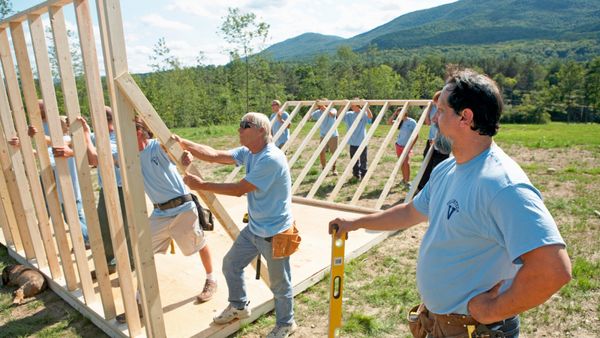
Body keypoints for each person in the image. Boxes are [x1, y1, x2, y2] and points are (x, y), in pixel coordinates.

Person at [328, 69, 571, 338]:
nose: (433, 118)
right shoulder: (448, 169)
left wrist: (491, 311)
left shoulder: (502, 185)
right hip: (442, 324)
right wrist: (356, 223)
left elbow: (553, 269)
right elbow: (410, 212)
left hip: (475, 329)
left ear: (465, 117)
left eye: (441, 110)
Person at [173, 112, 297, 338]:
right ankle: (239, 306)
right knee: (231, 264)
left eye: (245, 125)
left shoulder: (271, 158)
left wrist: (202, 184)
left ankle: (286, 323)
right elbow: (215, 155)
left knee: (281, 284)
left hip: (275, 232)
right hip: (256, 229)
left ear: (261, 131)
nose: (239, 129)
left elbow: (240, 189)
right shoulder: (250, 152)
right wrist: (184, 142)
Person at [133, 118, 217, 304]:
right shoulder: (129, 156)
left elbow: (178, 153)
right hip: (160, 213)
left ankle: (211, 279)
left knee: (199, 243)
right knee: (142, 250)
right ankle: (139, 299)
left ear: (140, 131)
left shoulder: (157, 146)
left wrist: (185, 156)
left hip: (183, 208)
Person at [417, 91, 451, 192]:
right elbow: (428, 122)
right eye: (434, 103)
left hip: (442, 142)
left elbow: (445, 127)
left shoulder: (447, 110)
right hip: (432, 140)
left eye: (437, 103)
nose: (435, 105)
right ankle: (421, 187)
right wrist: (428, 109)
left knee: (439, 166)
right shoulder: (433, 109)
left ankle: (436, 190)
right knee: (426, 163)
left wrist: (437, 140)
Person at [343, 99, 373, 180]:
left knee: (363, 159)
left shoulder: (363, 113)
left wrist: (365, 106)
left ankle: (363, 174)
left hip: (362, 141)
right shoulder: (349, 114)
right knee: (353, 160)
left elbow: (370, 117)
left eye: (353, 105)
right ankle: (356, 174)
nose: (351, 106)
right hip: (352, 141)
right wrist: (344, 105)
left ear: (358, 105)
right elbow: (339, 115)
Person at [388, 107, 417, 189]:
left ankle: (407, 181)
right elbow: (389, 122)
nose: (399, 115)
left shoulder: (412, 122)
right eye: (398, 114)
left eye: (400, 114)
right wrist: (394, 113)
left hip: (406, 146)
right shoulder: (399, 121)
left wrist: (410, 147)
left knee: (406, 164)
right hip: (398, 145)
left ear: (405, 113)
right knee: (401, 163)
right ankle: (404, 179)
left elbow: (416, 135)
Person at [311, 98, 338, 175]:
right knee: (321, 152)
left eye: (325, 104)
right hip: (323, 135)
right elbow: (310, 116)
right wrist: (315, 107)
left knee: (334, 153)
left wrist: (324, 108)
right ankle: (324, 168)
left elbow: (333, 115)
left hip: (333, 135)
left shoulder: (332, 109)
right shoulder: (318, 112)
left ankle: (334, 168)